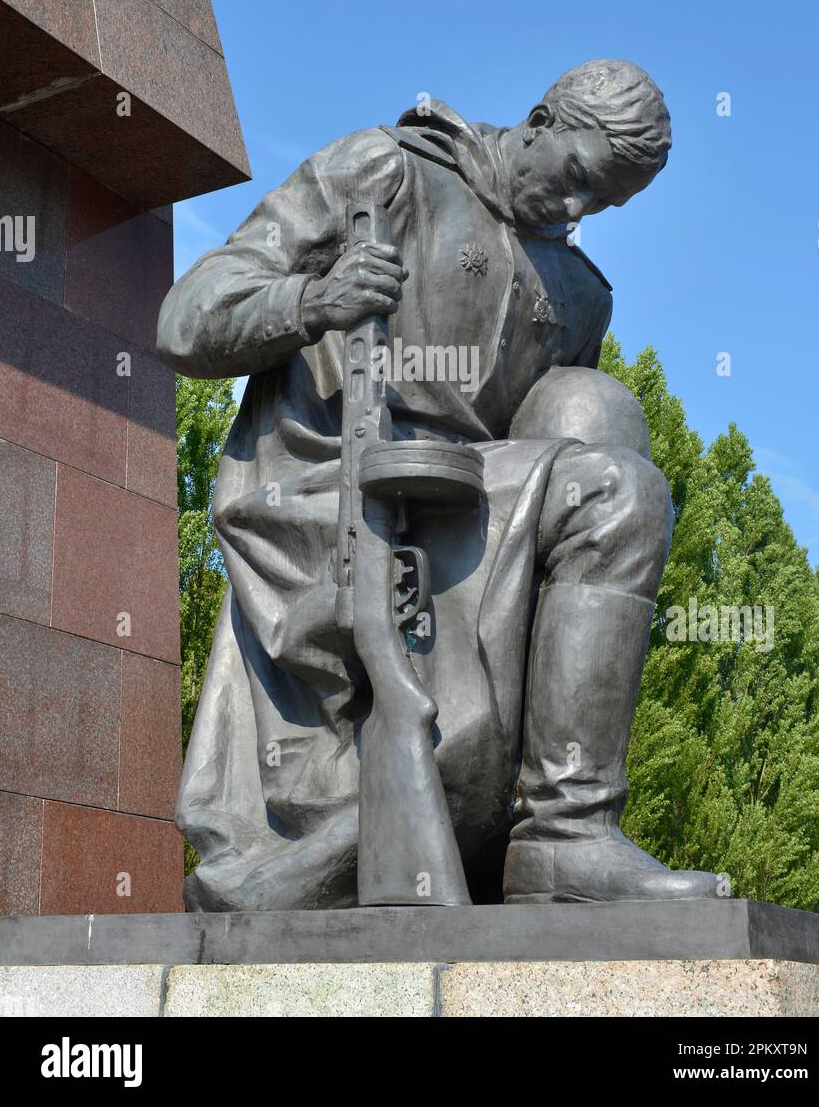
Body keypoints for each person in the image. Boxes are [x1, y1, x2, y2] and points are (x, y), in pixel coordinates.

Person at [158, 58, 720, 909]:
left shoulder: (578, 291)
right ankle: (551, 831)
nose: (575, 211)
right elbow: (185, 320)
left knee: (599, 422)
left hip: (470, 509)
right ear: (539, 121)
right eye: (575, 178)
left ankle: (561, 832)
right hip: (331, 494)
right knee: (612, 491)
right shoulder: (387, 170)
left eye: (602, 204)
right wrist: (314, 300)